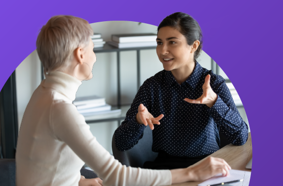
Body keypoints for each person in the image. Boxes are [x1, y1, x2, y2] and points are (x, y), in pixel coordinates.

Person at [15, 15, 231, 186]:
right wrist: (193, 172)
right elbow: (117, 174)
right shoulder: (60, 109)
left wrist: (77, 181)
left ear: (193, 46)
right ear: (80, 54)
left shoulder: (42, 94)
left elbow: (45, 165)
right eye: (92, 47)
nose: (95, 55)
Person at [114, 12, 249, 170]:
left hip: (208, 167)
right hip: (166, 170)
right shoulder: (152, 87)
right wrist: (137, 121)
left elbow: (241, 137)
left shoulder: (214, 84)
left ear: (194, 46)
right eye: (159, 42)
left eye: (172, 42)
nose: (163, 50)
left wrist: (214, 102)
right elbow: (120, 143)